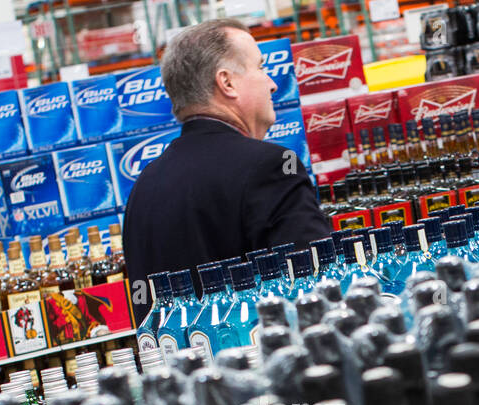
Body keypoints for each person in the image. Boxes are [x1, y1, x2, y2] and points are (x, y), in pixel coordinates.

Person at [122, 18, 331, 319]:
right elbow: (317, 290)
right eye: (260, 68)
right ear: (227, 83)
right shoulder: (272, 167)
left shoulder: (144, 186)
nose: (272, 83)